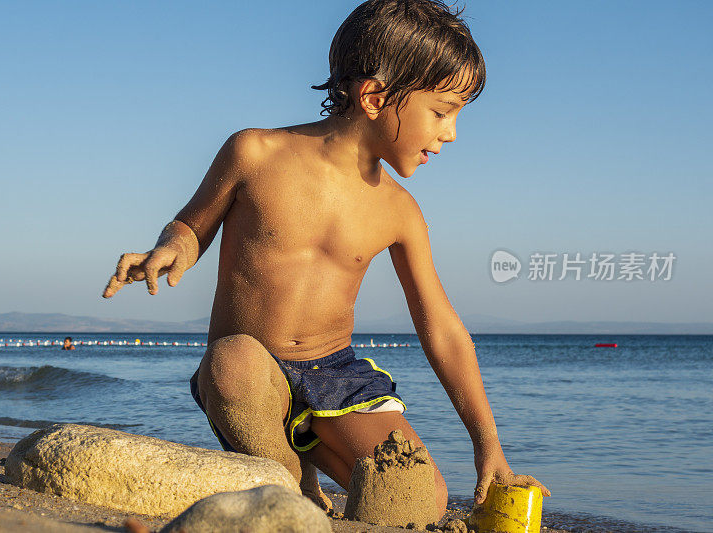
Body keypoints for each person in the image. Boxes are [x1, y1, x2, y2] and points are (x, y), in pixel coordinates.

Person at [103, 0, 549, 515]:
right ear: (376, 96)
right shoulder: (255, 153)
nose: (451, 133)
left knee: (419, 502)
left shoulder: (400, 211)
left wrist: (487, 447)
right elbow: (191, 225)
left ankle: (298, 470)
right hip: (251, 372)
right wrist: (171, 250)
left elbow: (440, 327)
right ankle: (291, 483)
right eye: (442, 112)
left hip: (336, 375)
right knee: (232, 363)